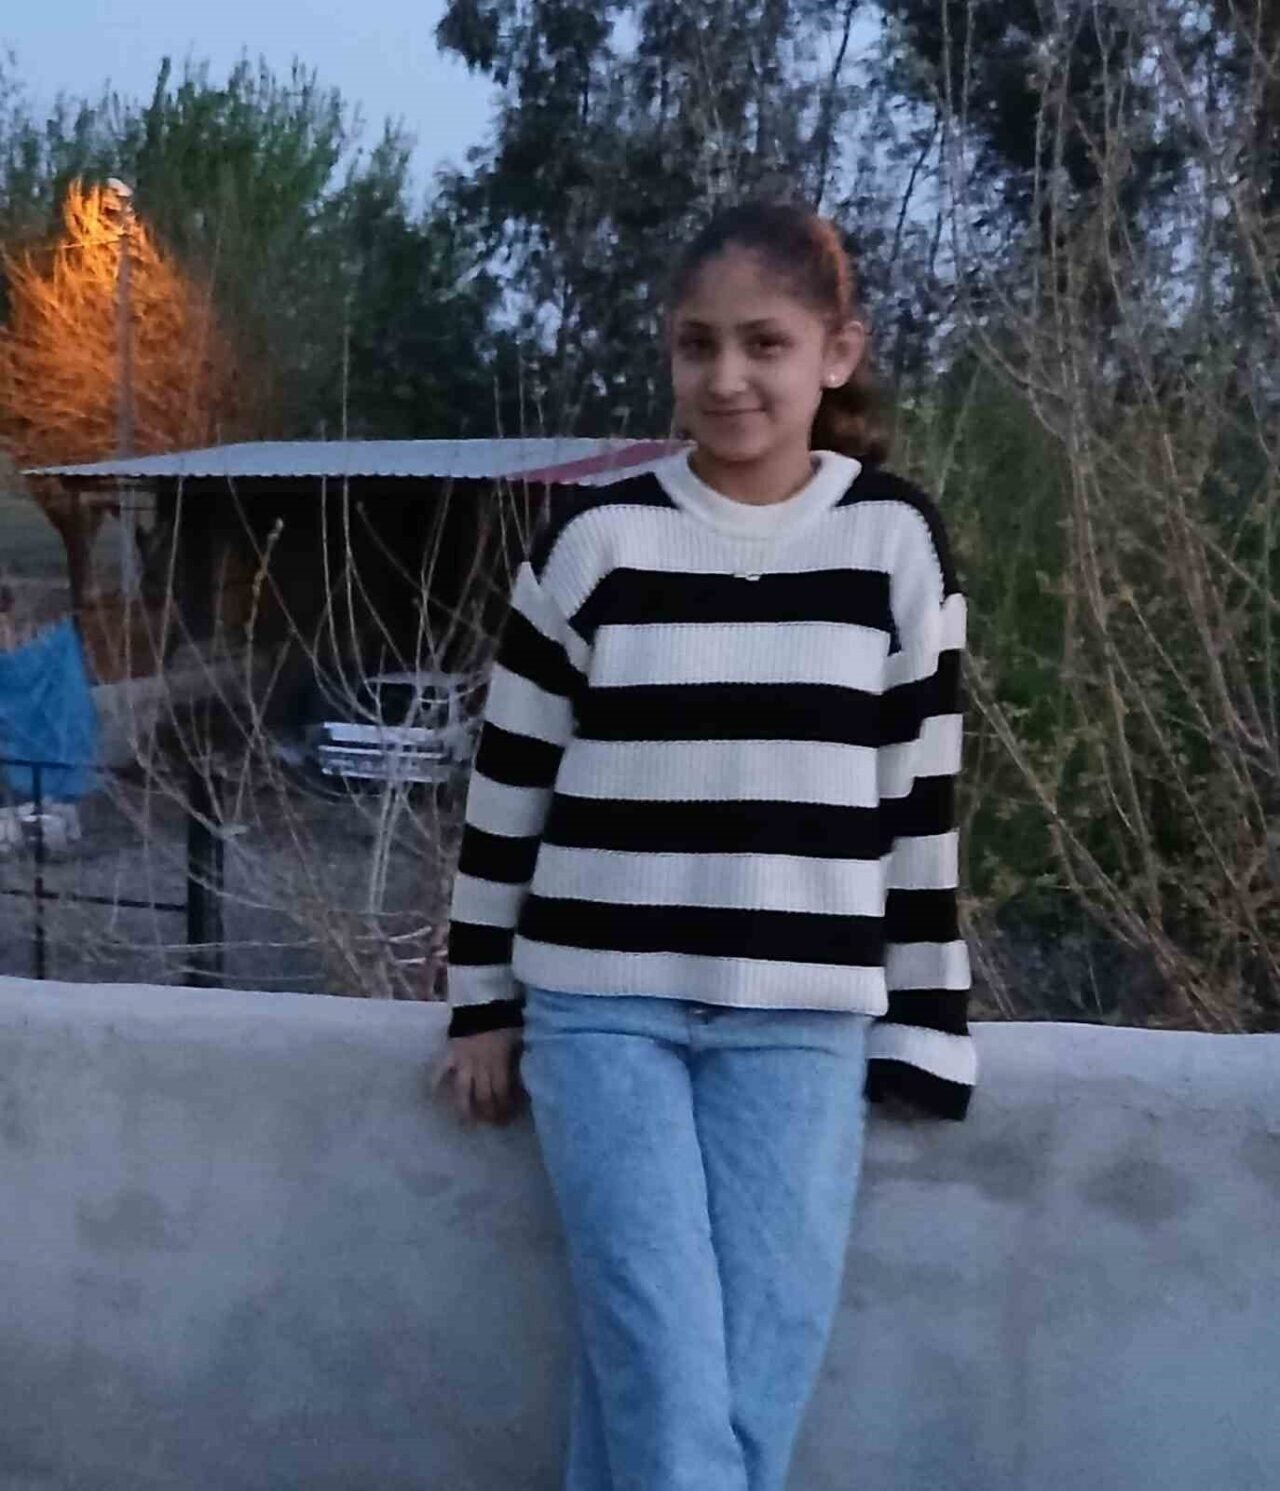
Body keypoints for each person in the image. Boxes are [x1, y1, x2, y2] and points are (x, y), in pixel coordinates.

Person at [435, 198, 977, 1491]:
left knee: (746, 1380)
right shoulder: (593, 543)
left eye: (764, 343)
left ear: (837, 353)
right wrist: (480, 1002)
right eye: (697, 345)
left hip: (804, 1025)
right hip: (601, 1019)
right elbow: (507, 790)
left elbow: (918, 804)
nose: (727, 377)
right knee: (662, 1367)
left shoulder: (895, 542)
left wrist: (925, 1024)